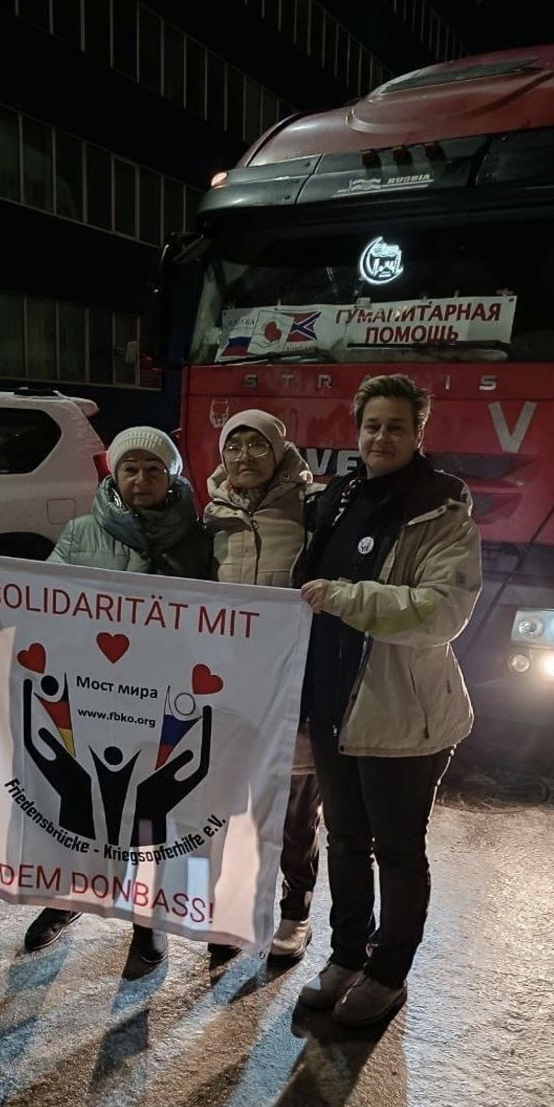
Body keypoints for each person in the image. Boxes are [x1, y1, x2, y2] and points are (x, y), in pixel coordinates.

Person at [296, 374, 481, 1026]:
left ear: (418, 433)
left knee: (397, 850)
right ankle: (347, 954)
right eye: (372, 425)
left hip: (404, 715)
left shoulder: (442, 511)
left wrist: (347, 597)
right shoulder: (337, 498)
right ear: (357, 430)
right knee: (344, 839)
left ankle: (388, 972)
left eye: (396, 426)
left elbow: (441, 613)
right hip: (331, 703)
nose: (381, 437)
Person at [23, 426, 212, 971]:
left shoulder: (197, 540)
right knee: (81, 804)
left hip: (164, 697)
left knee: (147, 810)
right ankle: (69, 897)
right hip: (93, 696)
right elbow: (46, 598)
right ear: (114, 474)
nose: (141, 479)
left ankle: (147, 922)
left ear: (172, 476)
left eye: (154, 469)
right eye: (130, 468)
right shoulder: (82, 532)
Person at [204, 409, 321, 961]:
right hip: (229, 692)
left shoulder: (313, 511)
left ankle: (296, 911)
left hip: (293, 690)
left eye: (257, 445)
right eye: (234, 446)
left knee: (296, 809)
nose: (244, 457)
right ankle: (229, 911)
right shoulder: (209, 518)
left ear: (279, 451)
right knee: (229, 806)